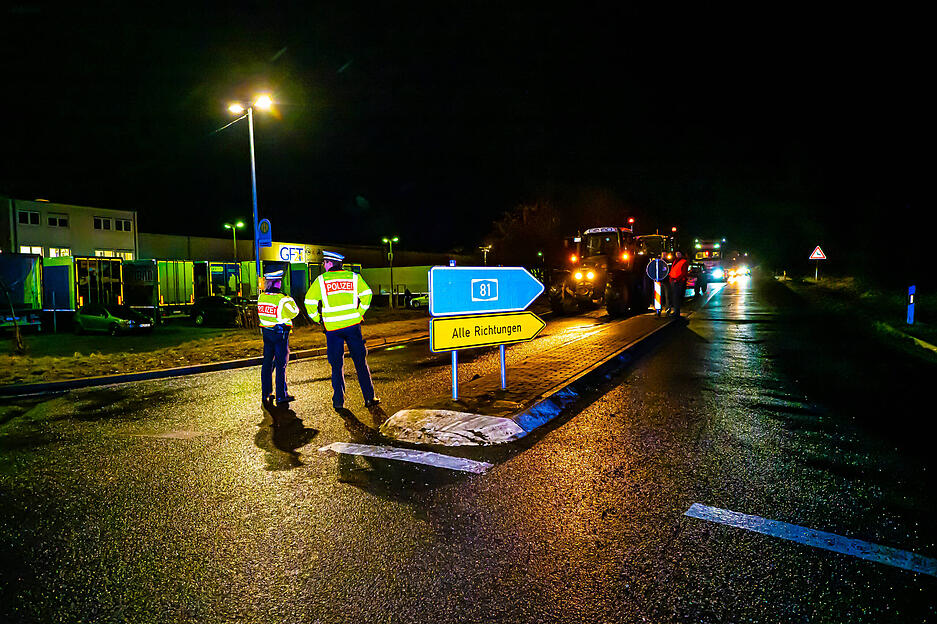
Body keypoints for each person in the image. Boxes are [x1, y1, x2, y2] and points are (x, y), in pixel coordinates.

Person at [304, 251, 380, 410]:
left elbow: (309, 302)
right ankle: (369, 398)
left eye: (324, 262)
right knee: (360, 362)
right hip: (353, 327)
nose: (323, 265)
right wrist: (359, 313)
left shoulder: (321, 281)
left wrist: (318, 319)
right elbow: (367, 294)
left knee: (336, 366)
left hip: (332, 329)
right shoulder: (353, 277)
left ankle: (339, 402)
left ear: (330, 263)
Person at [257, 269, 300, 406]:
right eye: (279, 281)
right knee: (281, 364)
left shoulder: (261, 297)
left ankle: (266, 393)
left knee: (267, 363)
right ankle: (281, 395)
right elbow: (295, 312)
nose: (281, 283)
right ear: (276, 283)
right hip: (280, 334)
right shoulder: (282, 299)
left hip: (266, 334)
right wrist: (289, 299)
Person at [668, 250, 689, 317]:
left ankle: (676, 312)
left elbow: (683, 273)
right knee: (674, 297)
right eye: (677, 253)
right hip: (674, 281)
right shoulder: (675, 261)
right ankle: (676, 311)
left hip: (678, 282)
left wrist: (676, 280)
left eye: (679, 253)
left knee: (676, 297)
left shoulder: (683, 262)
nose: (677, 255)